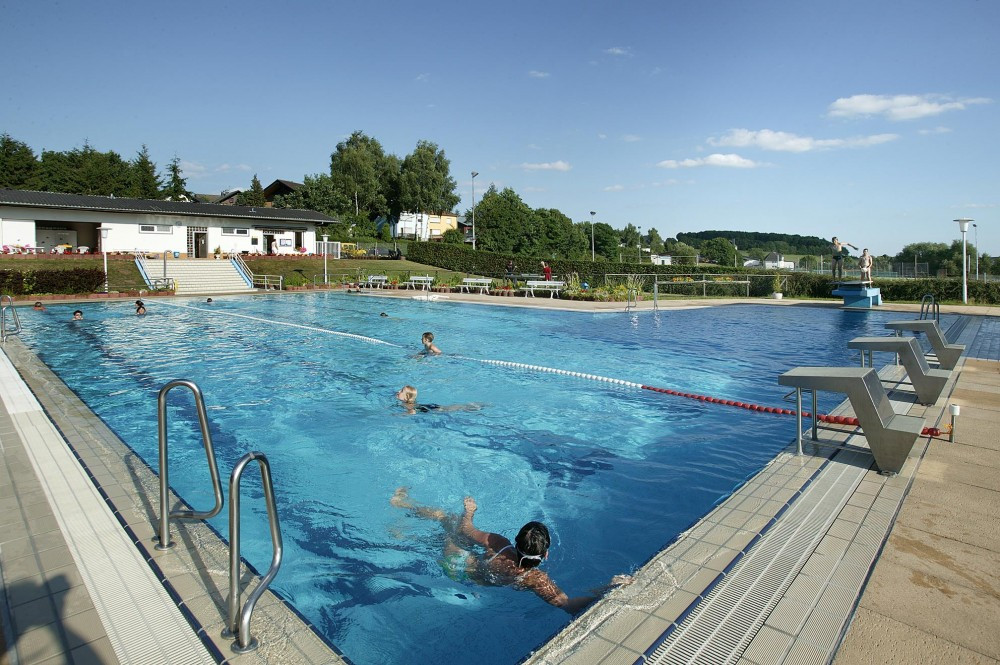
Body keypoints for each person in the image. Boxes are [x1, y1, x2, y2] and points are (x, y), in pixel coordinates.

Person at [390, 488, 632, 613]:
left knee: (448, 519)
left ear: (516, 541)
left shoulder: (498, 543)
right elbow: (566, 605)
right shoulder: (536, 579)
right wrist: (606, 589)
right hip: (467, 581)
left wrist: (470, 511)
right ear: (546, 554)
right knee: (445, 537)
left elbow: (466, 530)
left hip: (457, 563)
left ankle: (402, 505)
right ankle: (406, 535)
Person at [395, 385, 482, 414]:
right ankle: (471, 406)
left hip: (430, 408)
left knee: (448, 409)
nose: (398, 391)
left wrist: (400, 415)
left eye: (401, 391)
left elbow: (412, 412)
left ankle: (473, 406)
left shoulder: (406, 404)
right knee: (448, 408)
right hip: (428, 406)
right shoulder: (410, 402)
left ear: (406, 397)